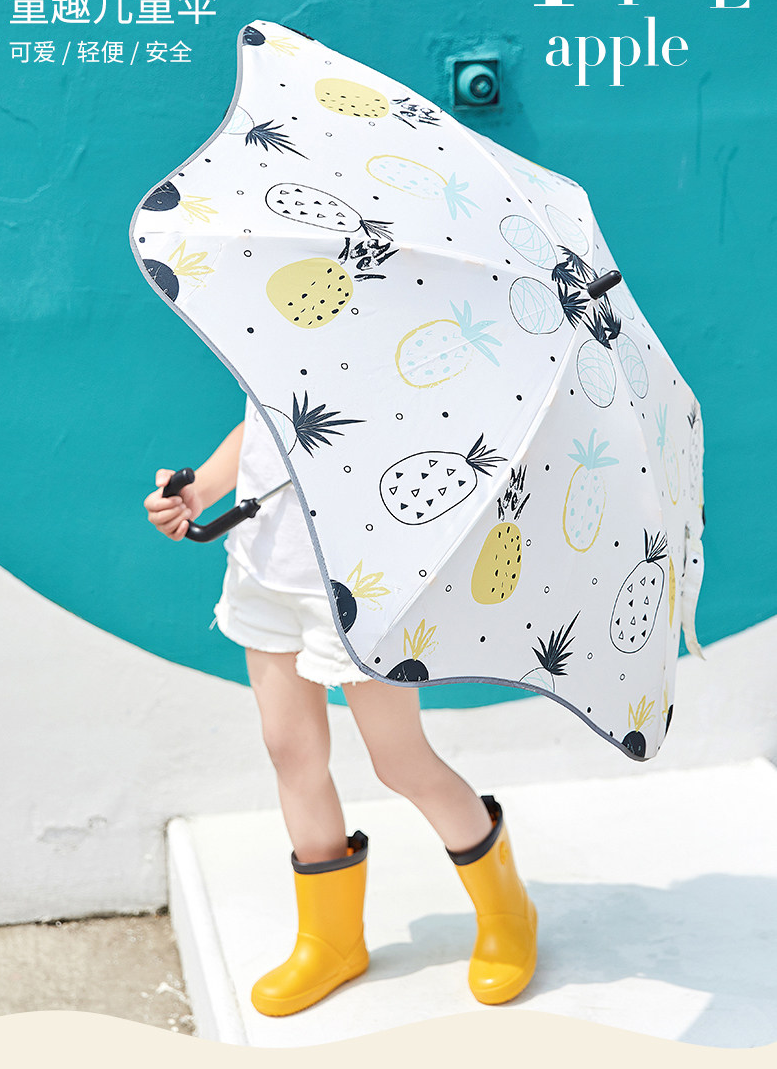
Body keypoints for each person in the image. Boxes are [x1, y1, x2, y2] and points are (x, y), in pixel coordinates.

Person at [144, 395, 538, 1016]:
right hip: (262, 570)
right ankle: (331, 939)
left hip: (361, 585)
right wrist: (204, 490)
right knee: (290, 752)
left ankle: (507, 910)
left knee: (401, 761)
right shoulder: (283, 337)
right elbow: (265, 419)